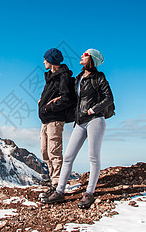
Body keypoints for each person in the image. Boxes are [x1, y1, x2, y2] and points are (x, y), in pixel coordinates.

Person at [42, 48, 114, 209]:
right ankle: (60, 192)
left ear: (92, 59)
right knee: (68, 157)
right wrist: (57, 99)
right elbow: (72, 96)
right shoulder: (79, 77)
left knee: (93, 157)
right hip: (80, 121)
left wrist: (93, 110)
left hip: (95, 120)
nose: (82, 55)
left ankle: (89, 193)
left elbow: (109, 98)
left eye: (85, 54)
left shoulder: (99, 77)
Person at [38, 48, 75, 199]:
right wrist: (42, 102)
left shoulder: (63, 76)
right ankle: (53, 181)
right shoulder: (52, 76)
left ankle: (57, 185)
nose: (43, 62)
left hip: (55, 119)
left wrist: (48, 107)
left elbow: (67, 99)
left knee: (54, 152)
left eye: (45, 59)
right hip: (46, 120)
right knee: (45, 151)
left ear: (51, 60)